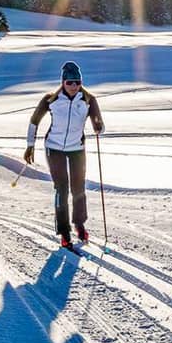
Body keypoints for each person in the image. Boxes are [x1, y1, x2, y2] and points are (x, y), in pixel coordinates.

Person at [24, 61, 105, 248]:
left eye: (77, 82)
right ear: (62, 82)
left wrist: (99, 126)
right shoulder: (50, 100)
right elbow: (34, 121)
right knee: (62, 188)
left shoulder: (88, 100)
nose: (74, 86)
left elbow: (99, 122)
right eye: (69, 82)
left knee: (79, 188)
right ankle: (64, 232)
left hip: (77, 148)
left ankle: (79, 224)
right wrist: (30, 145)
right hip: (54, 148)